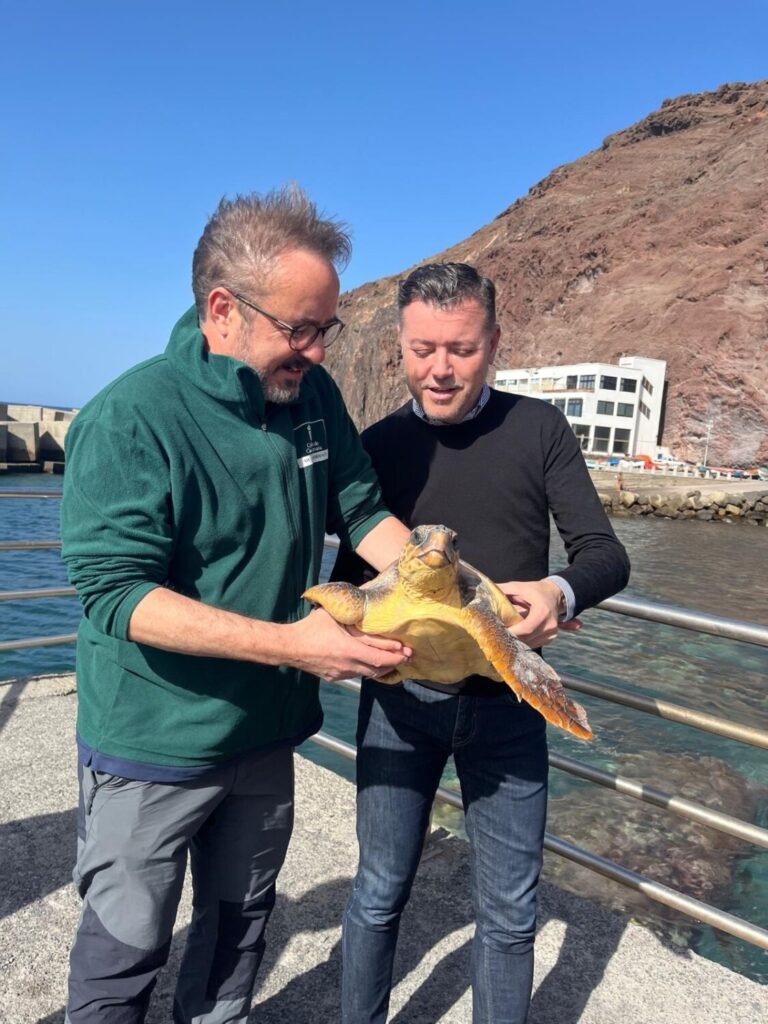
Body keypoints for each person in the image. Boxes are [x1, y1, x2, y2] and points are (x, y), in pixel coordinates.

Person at [60, 186, 413, 1024]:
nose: (318, 352)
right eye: (302, 329)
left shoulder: (311, 400)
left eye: (326, 329)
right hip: (152, 740)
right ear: (224, 309)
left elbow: (362, 513)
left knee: (237, 934)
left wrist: (452, 584)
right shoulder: (130, 417)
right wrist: (296, 647)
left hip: (264, 738)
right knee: (124, 953)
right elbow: (117, 596)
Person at [333, 262, 631, 1024]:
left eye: (461, 349)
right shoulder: (375, 446)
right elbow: (349, 581)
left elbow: (603, 554)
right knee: (376, 893)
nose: (439, 369)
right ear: (398, 345)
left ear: (493, 342)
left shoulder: (539, 429)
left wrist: (558, 594)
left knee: (508, 912)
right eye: (422, 348)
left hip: (509, 701)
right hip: (398, 702)